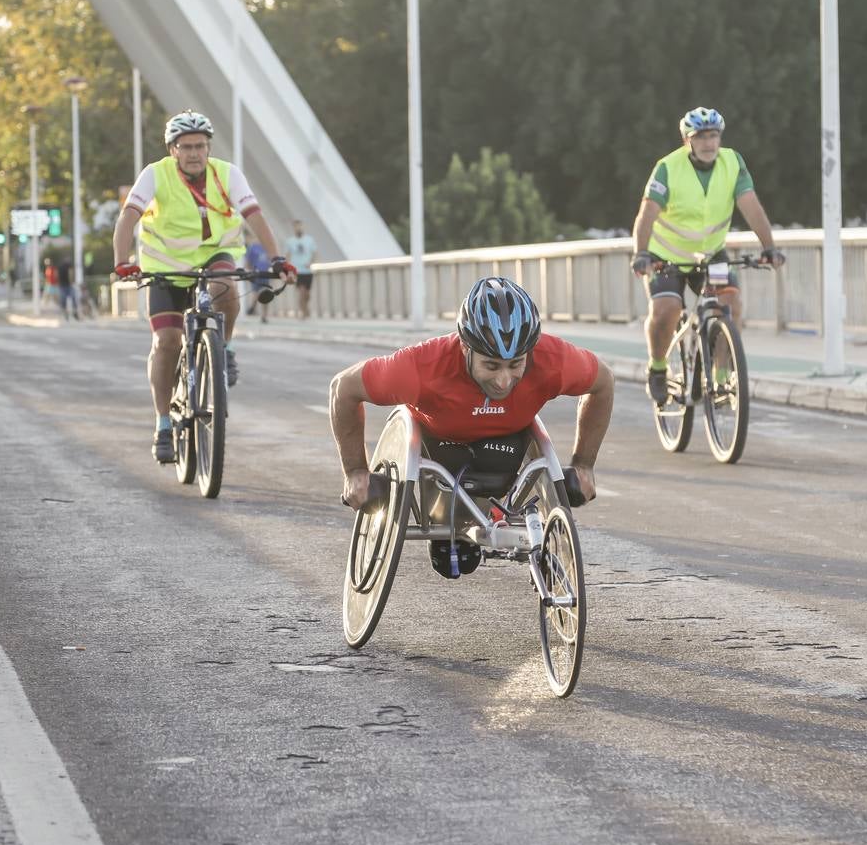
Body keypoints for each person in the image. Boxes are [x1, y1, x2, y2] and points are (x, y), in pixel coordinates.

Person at [329, 277, 614, 579]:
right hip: (437, 449)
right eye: (491, 366)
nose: (504, 380)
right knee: (455, 554)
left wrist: (584, 465)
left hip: (505, 448)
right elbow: (343, 389)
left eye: (516, 364)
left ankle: (485, 519)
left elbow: (603, 382)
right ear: (465, 347)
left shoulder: (552, 359)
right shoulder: (423, 366)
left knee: (501, 484)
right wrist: (355, 472)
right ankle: (452, 527)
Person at [111, 110, 295, 464]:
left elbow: (254, 215)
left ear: (209, 148)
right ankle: (163, 424)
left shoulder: (227, 174)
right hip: (164, 266)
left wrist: (276, 258)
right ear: (173, 149)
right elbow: (128, 217)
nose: (195, 153)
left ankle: (222, 350)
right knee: (165, 342)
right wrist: (122, 260)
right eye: (187, 147)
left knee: (226, 286)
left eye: (201, 146)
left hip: (215, 255)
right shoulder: (155, 174)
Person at [630, 106, 785, 405]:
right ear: (687, 140)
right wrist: (642, 253)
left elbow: (751, 207)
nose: (708, 143)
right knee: (666, 310)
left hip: (710, 255)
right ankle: (658, 369)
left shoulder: (732, 162)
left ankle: (721, 376)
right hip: (667, 257)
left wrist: (769, 247)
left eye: (713, 135)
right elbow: (646, 215)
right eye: (700, 136)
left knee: (730, 302)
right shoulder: (667, 167)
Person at [285, 219, 317, 319]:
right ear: (293, 228)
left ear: (302, 227)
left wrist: (311, 262)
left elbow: (314, 253)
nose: (298, 228)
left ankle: (306, 308)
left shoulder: (309, 240)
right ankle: (303, 312)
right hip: (297, 270)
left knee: (307, 294)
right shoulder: (290, 241)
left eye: (300, 226)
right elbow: (287, 255)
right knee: (301, 291)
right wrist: (287, 269)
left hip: (307, 270)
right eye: (296, 227)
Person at [243, 237, 272, 323]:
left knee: (266, 294)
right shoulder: (253, 247)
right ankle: (252, 308)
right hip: (256, 274)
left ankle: (264, 315)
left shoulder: (267, 247)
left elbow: (270, 260)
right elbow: (248, 261)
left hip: (266, 274)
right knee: (255, 293)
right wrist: (248, 272)